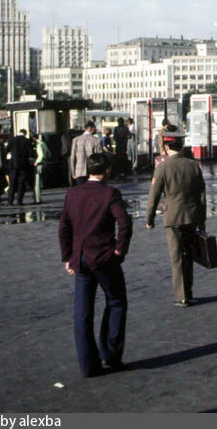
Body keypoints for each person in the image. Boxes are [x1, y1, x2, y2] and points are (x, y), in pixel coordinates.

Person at [58, 152, 133, 377]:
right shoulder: (111, 193)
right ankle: (110, 354)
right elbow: (124, 223)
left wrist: (67, 256)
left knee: (82, 312)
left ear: (88, 170)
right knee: (116, 301)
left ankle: (88, 365)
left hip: (80, 258)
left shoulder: (72, 194)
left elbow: (64, 227)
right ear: (107, 171)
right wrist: (120, 249)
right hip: (104, 256)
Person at [145, 125, 206, 307]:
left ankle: (182, 296)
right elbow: (201, 196)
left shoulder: (162, 168)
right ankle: (189, 291)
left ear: (167, 146)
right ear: (181, 145)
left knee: (177, 258)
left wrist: (149, 219)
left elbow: (153, 196)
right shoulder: (193, 165)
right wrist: (201, 221)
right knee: (188, 256)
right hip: (192, 217)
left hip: (172, 218)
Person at [6, 128, 34, 205]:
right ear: (25, 133)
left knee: (12, 184)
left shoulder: (12, 140)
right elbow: (31, 153)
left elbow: (6, 150)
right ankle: (19, 201)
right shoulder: (27, 141)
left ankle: (10, 201)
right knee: (21, 183)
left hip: (13, 164)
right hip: (24, 165)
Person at [70, 121, 103, 186]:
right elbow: (99, 157)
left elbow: (73, 157)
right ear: (91, 128)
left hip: (79, 171)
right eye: (95, 128)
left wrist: (73, 171)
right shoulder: (97, 140)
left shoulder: (76, 140)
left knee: (81, 191)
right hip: (93, 171)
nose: (96, 129)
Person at [33, 133, 50, 204]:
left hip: (39, 164)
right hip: (44, 163)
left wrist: (36, 162)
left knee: (37, 182)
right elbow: (49, 153)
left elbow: (41, 155)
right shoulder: (43, 143)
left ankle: (37, 199)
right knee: (40, 181)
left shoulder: (38, 145)